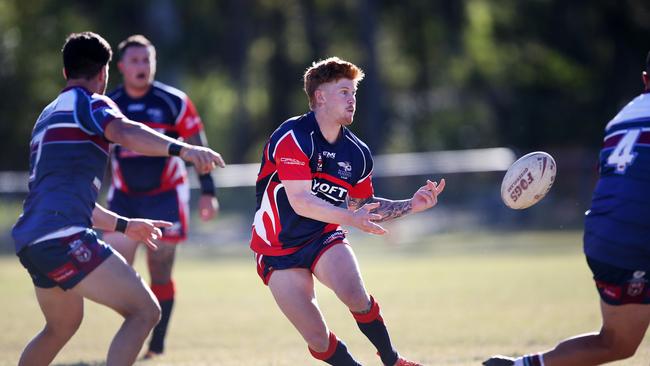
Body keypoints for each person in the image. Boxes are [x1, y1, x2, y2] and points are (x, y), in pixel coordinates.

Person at [12, 32, 225, 366]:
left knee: (60, 327)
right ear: (104, 73)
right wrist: (184, 149)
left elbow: (72, 202)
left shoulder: (47, 115)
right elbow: (126, 132)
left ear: (65, 72)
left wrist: (126, 226)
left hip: (31, 239)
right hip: (63, 237)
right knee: (145, 311)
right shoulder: (92, 103)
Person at [250, 56, 446, 366]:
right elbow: (301, 201)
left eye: (354, 92)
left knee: (356, 296)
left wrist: (412, 205)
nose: (352, 99)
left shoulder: (357, 153)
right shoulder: (293, 137)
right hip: (276, 247)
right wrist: (350, 218)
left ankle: (393, 360)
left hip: (323, 236)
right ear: (320, 97)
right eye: (344, 92)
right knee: (316, 337)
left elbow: (361, 208)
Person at [484, 52, 650, 366]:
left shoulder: (622, 117)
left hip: (605, 237)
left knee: (618, 343)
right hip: (637, 233)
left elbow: (614, 180)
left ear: (645, 80)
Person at [101, 34, 219, 359]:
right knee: (114, 271)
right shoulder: (107, 104)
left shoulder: (173, 101)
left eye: (147, 60)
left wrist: (208, 193)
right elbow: (99, 154)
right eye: (135, 61)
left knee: (161, 269)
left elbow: (199, 145)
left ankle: (156, 344)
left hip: (165, 197)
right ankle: (136, 323)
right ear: (121, 66)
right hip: (124, 197)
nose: (142, 66)